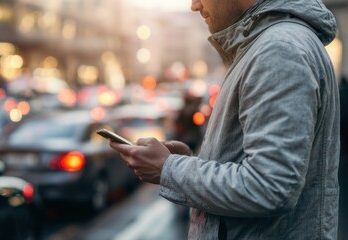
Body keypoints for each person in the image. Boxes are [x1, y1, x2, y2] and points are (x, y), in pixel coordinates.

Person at [109, 0, 340, 239]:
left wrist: (169, 169)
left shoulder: (278, 50)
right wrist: (189, 162)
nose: (194, 5)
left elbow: (271, 187)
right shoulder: (270, 44)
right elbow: (262, 169)